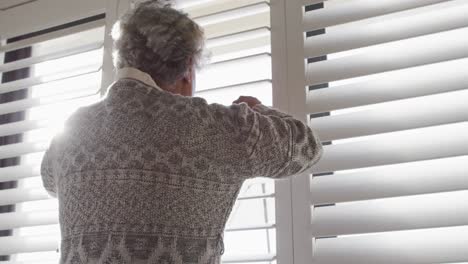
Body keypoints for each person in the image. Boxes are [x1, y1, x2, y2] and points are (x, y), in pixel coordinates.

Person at [40, 1, 323, 263]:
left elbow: (51, 181)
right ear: (188, 68)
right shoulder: (219, 126)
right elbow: (306, 148)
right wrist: (257, 110)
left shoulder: (70, 131)